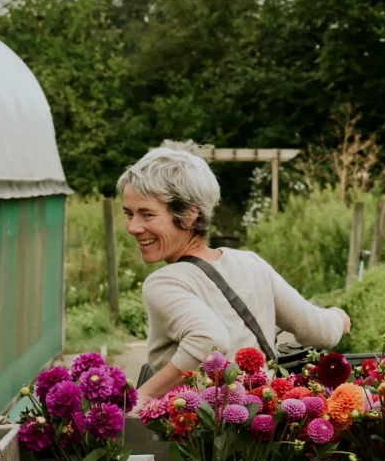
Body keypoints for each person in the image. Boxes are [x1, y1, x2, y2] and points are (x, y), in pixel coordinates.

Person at [118, 145, 351, 402]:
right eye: (129, 213)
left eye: (147, 214)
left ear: (188, 215)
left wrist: (145, 394)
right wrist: (338, 318)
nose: (133, 227)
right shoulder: (250, 263)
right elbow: (317, 331)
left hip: (203, 437)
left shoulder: (164, 282)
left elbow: (207, 338)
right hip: (264, 429)